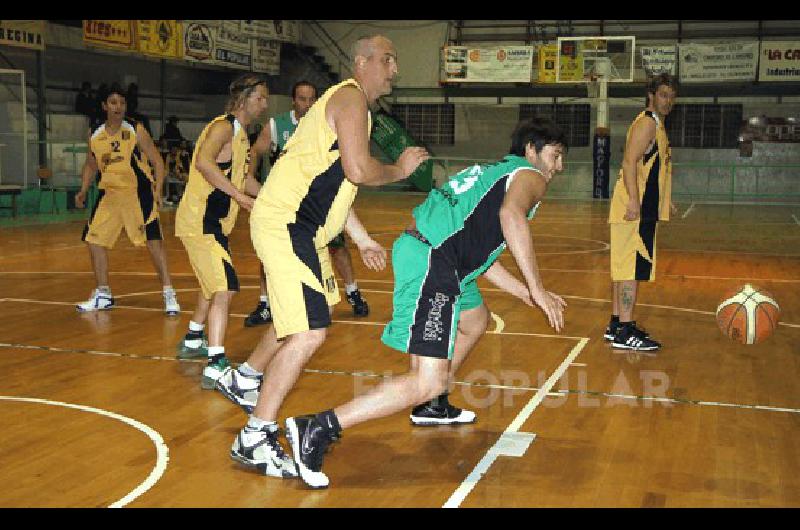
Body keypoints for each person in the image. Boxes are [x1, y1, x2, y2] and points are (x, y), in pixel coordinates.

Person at [283, 118, 569, 488]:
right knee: (426, 379)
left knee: (475, 319)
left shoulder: (496, 173)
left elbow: (482, 254)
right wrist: (539, 286)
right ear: (531, 150)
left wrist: (528, 294)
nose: (557, 166)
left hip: (437, 256)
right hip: (433, 262)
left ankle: (434, 405)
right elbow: (511, 217)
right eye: (555, 155)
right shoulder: (530, 176)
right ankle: (319, 426)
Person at [219, 35, 429, 479]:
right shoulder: (351, 99)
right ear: (361, 61)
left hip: (306, 233)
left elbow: (337, 186)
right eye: (387, 59)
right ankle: (255, 437)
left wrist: (363, 238)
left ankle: (245, 377)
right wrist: (400, 171)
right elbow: (359, 171)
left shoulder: (352, 108)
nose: (394, 69)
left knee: (299, 316)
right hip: (287, 227)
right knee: (310, 332)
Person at [242, 80, 370, 328]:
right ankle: (265, 302)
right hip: (287, 204)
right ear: (293, 100)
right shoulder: (277, 125)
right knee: (272, 255)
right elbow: (256, 151)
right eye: (302, 98)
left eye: (312, 98)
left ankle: (353, 292)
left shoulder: (326, 119)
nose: (308, 104)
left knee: (338, 247)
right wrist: (252, 178)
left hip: (320, 202)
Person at [173, 74, 267, 389]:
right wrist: (240, 197)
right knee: (225, 287)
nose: (264, 104)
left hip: (215, 223)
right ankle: (215, 364)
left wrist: (270, 196)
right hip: (200, 221)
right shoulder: (223, 127)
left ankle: (193, 338)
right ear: (244, 99)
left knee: (210, 282)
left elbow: (243, 181)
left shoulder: (242, 137)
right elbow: (202, 162)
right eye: (260, 98)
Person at [74, 83, 180, 316]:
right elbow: (91, 164)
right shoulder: (95, 132)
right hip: (110, 194)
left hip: (137, 193)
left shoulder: (134, 129)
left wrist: (158, 188)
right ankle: (103, 293)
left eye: (121, 103)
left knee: (154, 243)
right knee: (94, 240)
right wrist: (83, 189)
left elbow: (157, 161)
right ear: (104, 106)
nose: (118, 107)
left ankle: (169, 292)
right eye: (113, 103)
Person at [604, 73, 678, 352]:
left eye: (671, 96)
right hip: (634, 210)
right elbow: (628, 162)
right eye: (663, 95)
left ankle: (616, 325)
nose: (667, 101)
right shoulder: (647, 123)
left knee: (624, 269)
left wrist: (663, 200)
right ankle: (625, 330)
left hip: (642, 208)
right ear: (651, 95)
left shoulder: (656, 126)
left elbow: (651, 169)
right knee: (631, 270)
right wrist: (634, 201)